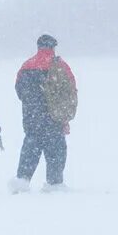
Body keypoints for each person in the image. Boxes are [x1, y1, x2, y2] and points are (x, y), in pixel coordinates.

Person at [8, 35, 77, 193]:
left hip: (32, 118)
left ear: (38, 47)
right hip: (55, 118)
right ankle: (54, 184)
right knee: (56, 151)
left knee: (30, 149)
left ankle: (22, 181)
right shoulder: (60, 66)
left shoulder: (26, 66)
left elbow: (19, 91)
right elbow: (71, 90)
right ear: (53, 47)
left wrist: (34, 104)